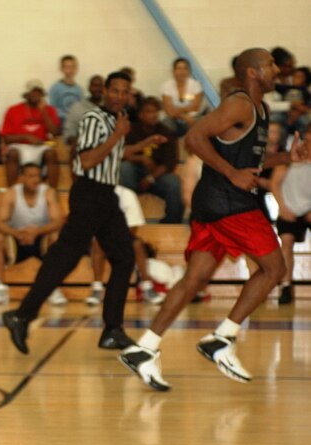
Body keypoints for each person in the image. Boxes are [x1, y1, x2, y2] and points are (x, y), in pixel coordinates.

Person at [120, 48, 308, 392]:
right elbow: (193, 138)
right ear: (252, 72)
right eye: (268, 64)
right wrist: (232, 173)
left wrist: (287, 157)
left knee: (195, 278)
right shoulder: (238, 104)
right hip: (229, 202)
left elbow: (249, 155)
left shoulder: (259, 109)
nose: (276, 69)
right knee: (274, 269)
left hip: (216, 203)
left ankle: (144, 347)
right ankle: (223, 338)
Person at [2, 71, 167, 355]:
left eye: (124, 91)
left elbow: (113, 153)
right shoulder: (94, 118)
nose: (119, 96)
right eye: (114, 90)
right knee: (65, 257)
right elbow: (87, 160)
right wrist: (118, 135)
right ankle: (22, 314)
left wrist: (140, 146)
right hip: (90, 192)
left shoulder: (118, 119)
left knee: (124, 257)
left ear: (130, 94)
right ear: (105, 91)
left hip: (105, 195)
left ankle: (112, 330)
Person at [0, 163, 67, 306]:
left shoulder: (48, 192)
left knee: (56, 237)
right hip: (17, 239)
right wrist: (17, 233)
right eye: (31, 176)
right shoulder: (11, 193)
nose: (36, 180)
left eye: (38, 176)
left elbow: (58, 221)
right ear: (21, 178)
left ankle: (52, 288)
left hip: (42, 237)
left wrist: (36, 232)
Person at [84, 185, 166, 307]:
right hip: (96, 238)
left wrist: (115, 236)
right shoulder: (94, 194)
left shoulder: (127, 194)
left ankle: (147, 287)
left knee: (137, 244)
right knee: (98, 242)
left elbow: (133, 227)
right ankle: (97, 288)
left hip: (122, 236)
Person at [119, 96, 183, 223]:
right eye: (149, 112)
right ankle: (124, 219)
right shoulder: (130, 130)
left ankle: (171, 223)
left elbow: (170, 162)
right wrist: (140, 158)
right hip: (134, 172)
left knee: (175, 183)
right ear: (140, 114)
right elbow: (120, 154)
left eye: (156, 112)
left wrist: (151, 178)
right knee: (124, 169)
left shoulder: (166, 132)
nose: (153, 115)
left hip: (157, 174)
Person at [271, 133, 311, 304]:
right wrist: (282, 207)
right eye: (306, 140)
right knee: (286, 242)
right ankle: (286, 286)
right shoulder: (288, 160)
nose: (307, 144)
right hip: (289, 209)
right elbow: (274, 184)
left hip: (309, 209)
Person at [1, 79, 60, 187]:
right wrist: (26, 137)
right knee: (12, 154)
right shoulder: (13, 110)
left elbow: (55, 132)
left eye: (39, 92)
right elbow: (6, 138)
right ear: (26, 94)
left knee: (51, 154)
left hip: (40, 147)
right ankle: (12, 191)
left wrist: (44, 112)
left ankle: (53, 192)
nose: (36, 95)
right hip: (19, 146)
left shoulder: (49, 109)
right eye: (33, 92)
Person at [161, 57, 205, 137]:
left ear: (189, 71)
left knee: (200, 123)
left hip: (193, 117)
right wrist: (184, 116)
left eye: (185, 69)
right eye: (179, 68)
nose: (182, 72)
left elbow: (195, 107)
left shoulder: (195, 85)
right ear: (173, 71)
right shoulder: (166, 86)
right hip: (173, 118)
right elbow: (169, 111)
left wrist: (177, 110)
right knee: (165, 124)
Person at [63, 75, 105, 144]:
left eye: (100, 86)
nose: (97, 89)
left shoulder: (110, 106)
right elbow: (69, 134)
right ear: (89, 88)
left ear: (105, 88)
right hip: (83, 147)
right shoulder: (76, 108)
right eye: (95, 86)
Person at [49, 55, 84, 120]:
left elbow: (81, 108)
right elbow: (52, 109)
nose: (70, 70)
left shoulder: (79, 90)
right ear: (61, 69)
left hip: (74, 123)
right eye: (67, 67)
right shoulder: (55, 88)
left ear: (76, 69)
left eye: (73, 67)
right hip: (61, 122)